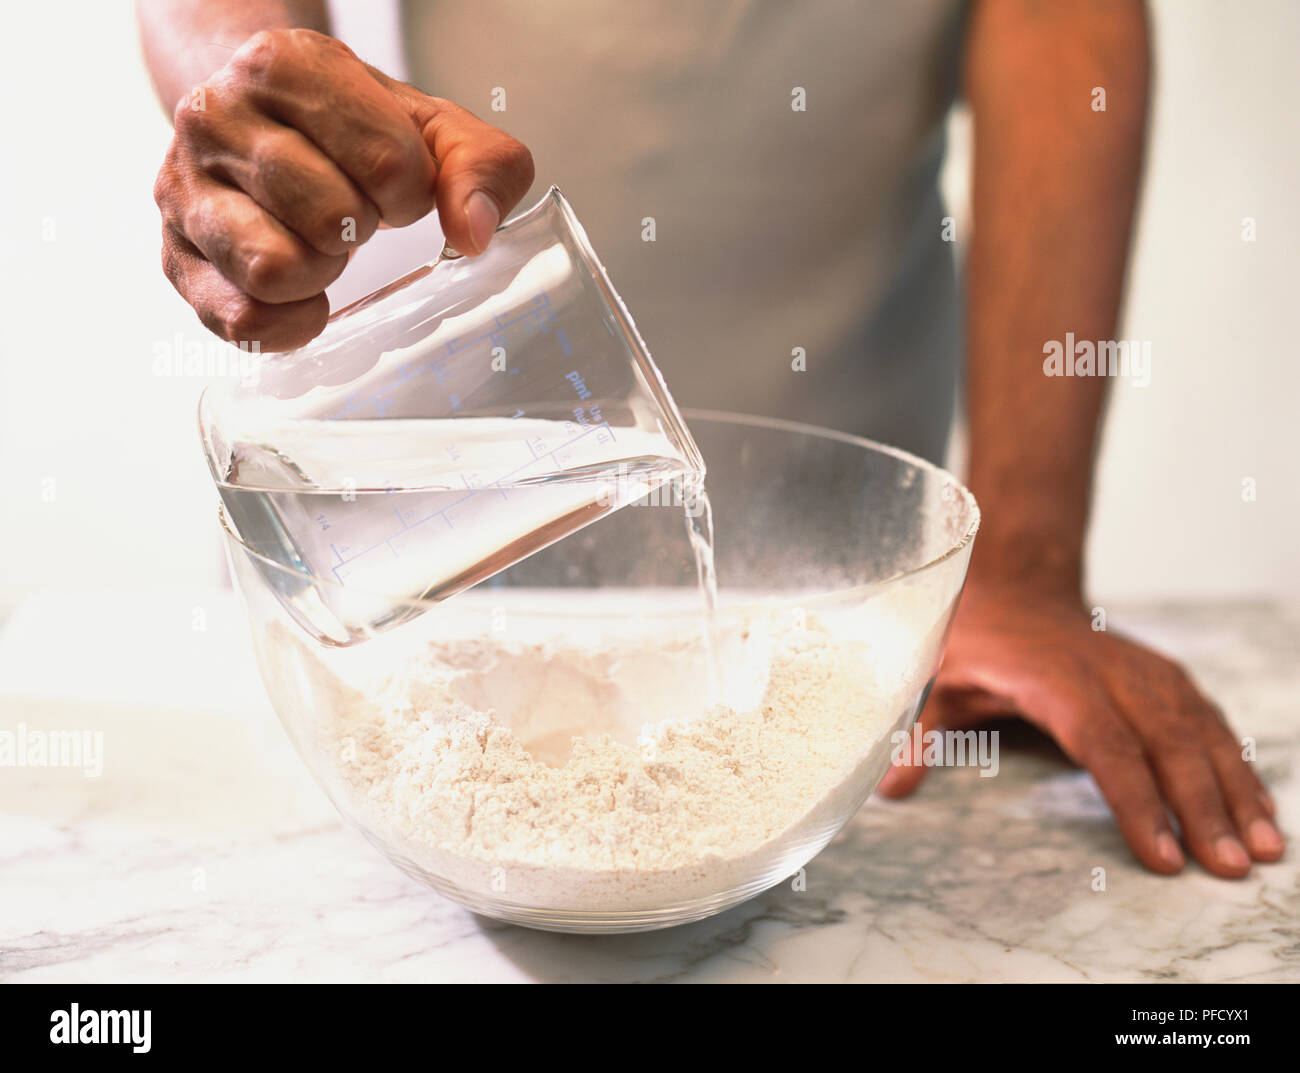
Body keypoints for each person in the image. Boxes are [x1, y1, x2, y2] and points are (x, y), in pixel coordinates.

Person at [138, 0, 1284, 878]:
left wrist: (1025, 564)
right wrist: (254, 104)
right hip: (397, 499)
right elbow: (230, 27)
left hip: (846, 580)